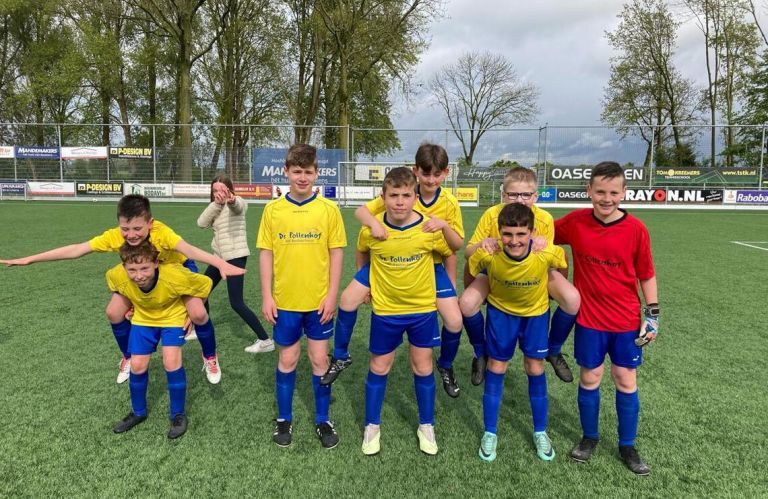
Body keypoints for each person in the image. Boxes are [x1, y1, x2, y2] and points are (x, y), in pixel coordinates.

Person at [0, 194, 242, 385]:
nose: (131, 235)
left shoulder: (162, 233)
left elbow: (188, 250)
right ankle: (128, 355)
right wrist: (30, 259)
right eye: (126, 229)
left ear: (150, 223)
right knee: (114, 312)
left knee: (198, 314)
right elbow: (77, 249)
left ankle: (210, 356)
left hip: (176, 272)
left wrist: (220, 263)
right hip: (144, 276)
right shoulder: (116, 236)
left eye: (137, 229)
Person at [322, 143, 465, 400]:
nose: (431, 180)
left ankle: (445, 365)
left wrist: (452, 282)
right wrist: (373, 224)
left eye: (437, 174)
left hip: (429, 267)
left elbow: (453, 248)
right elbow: (361, 214)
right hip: (387, 262)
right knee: (347, 300)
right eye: (426, 173)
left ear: (445, 173)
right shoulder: (401, 189)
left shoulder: (449, 203)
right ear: (416, 171)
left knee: (454, 321)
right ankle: (341, 355)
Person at [555, 161, 658, 476]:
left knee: (625, 379)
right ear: (589, 190)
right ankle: (589, 437)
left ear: (624, 192)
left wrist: (652, 315)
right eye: (600, 192)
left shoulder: (636, 229)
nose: (607, 199)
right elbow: (540, 231)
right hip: (590, 320)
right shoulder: (575, 222)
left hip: (626, 320)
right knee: (590, 377)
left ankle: (627, 445)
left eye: (614, 192)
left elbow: (646, 274)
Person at [357, 167, 454, 456]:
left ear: (415, 197)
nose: (400, 201)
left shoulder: (428, 230)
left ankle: (426, 425)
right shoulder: (372, 229)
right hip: (386, 310)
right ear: (383, 197)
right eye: (394, 195)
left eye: (406, 195)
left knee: (423, 367)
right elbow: (362, 251)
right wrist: (365, 280)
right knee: (379, 366)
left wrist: (448, 288)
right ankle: (372, 425)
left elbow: (450, 252)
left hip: (422, 310)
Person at [257, 144, 346, 449]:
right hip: (285, 302)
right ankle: (284, 419)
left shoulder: (329, 210)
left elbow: (336, 254)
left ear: (317, 173)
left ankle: (323, 419)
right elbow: (266, 254)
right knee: (288, 358)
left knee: (319, 359)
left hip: (319, 302)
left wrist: (332, 295)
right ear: (286, 172)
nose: (303, 177)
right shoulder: (273, 210)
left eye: (308, 171)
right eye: (297, 171)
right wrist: (267, 295)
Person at [460, 167, 580, 385]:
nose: (520, 200)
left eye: (526, 195)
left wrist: (542, 245)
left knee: (572, 299)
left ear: (535, 196)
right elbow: (469, 253)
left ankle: (553, 350)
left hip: (533, 272)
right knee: (467, 303)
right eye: (513, 194)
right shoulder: (491, 214)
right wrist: (483, 243)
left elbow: (553, 257)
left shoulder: (544, 218)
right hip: (495, 271)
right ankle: (480, 353)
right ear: (503, 195)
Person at [467, 203, 567, 463]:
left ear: (532, 232)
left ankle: (540, 431)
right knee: (497, 367)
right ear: (499, 232)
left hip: (535, 315)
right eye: (507, 234)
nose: (514, 241)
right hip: (501, 315)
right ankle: (490, 432)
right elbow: (471, 268)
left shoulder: (546, 252)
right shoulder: (489, 255)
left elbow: (562, 263)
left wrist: (552, 292)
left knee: (535, 367)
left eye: (521, 234)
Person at [108, 240, 214, 439]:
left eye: (144, 268)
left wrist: (192, 313)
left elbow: (205, 285)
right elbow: (117, 288)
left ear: (156, 263)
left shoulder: (175, 275)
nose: (139, 275)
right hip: (143, 318)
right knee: (137, 366)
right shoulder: (116, 276)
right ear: (123, 267)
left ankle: (177, 415)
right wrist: (129, 304)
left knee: (171, 362)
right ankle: (138, 412)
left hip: (172, 317)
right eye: (132, 270)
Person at [197, 174, 273, 354]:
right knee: (201, 290)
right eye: (215, 190)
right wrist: (216, 204)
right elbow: (201, 223)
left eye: (222, 189)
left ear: (229, 189)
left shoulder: (237, 201)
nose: (218, 193)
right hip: (219, 258)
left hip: (235, 257)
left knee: (236, 303)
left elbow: (238, 207)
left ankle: (265, 340)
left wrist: (230, 200)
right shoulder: (215, 207)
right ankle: (200, 327)